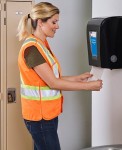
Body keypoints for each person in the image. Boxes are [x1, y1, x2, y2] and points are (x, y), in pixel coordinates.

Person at [17, 2, 103, 150]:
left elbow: (51, 78)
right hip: (40, 118)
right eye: (54, 22)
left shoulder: (41, 45)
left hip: (46, 116)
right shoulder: (32, 49)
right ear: (40, 22)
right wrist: (88, 86)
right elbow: (53, 83)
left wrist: (78, 78)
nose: (57, 26)